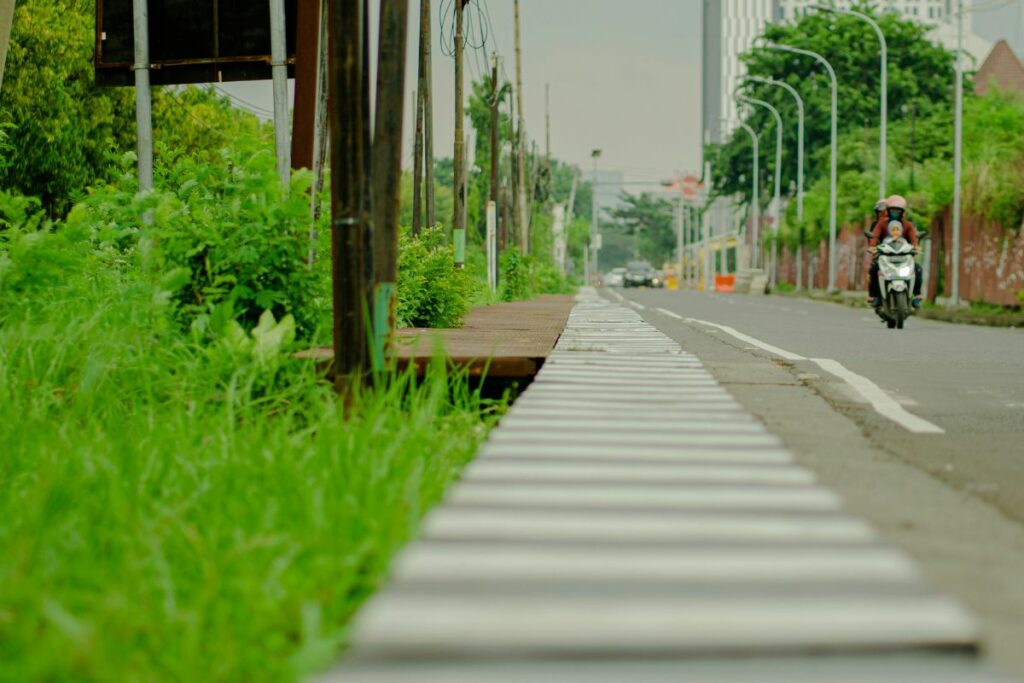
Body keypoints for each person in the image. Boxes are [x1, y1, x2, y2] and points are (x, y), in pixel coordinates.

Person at [866, 195, 923, 308]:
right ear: (888, 210)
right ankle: (875, 296)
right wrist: (872, 246)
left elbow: (913, 238)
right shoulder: (881, 224)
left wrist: (916, 246)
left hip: (903, 255)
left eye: (898, 210)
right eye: (892, 210)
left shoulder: (908, 225)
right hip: (885, 255)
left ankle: (917, 295)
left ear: (902, 212)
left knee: (917, 269)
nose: (895, 212)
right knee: (874, 269)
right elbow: (875, 236)